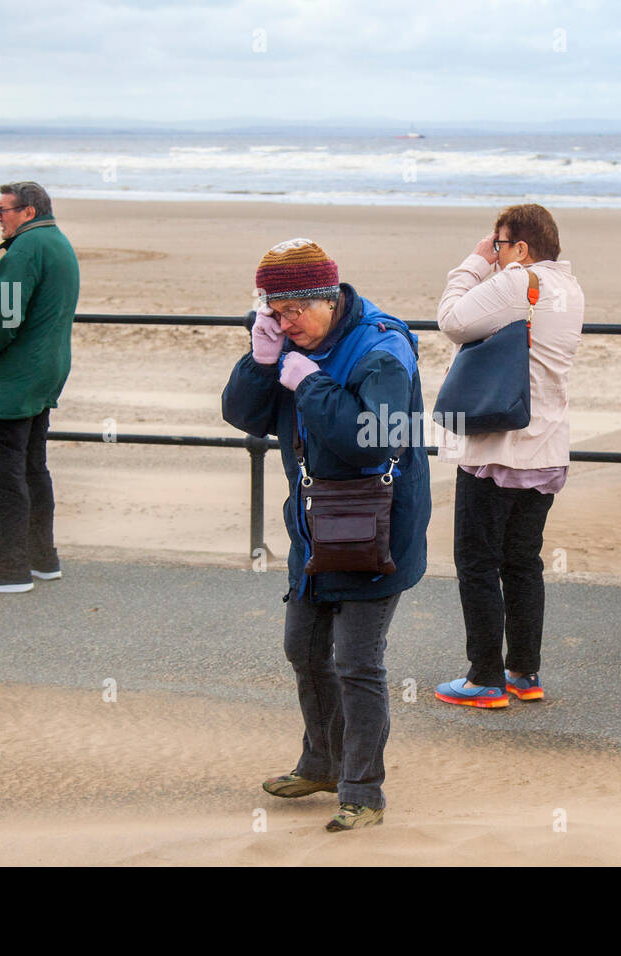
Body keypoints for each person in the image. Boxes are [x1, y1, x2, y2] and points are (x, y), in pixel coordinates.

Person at [221, 238, 431, 832]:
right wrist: (262, 361)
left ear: (328, 300)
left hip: (376, 530)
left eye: (293, 313)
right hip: (314, 527)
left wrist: (310, 384)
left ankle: (363, 792)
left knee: (356, 662)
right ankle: (321, 762)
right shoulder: (288, 342)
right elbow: (244, 415)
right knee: (305, 649)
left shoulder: (383, 351)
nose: (285, 325)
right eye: (274, 314)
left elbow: (374, 441)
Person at [432, 204, 584, 707]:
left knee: (476, 560)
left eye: (499, 244)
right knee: (523, 562)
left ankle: (483, 678)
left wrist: (472, 265)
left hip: (499, 446)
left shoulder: (519, 280)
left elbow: (452, 321)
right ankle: (524, 672)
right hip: (545, 448)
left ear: (521, 248)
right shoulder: (570, 288)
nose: (494, 253)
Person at [0, 182, 79, 593]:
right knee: (32, 466)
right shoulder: (57, 242)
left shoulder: (27, 249)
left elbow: (1, 317)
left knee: (4, 471)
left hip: (16, 376)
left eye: (3, 210)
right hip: (44, 370)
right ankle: (42, 559)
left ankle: (11, 569)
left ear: (27, 212)